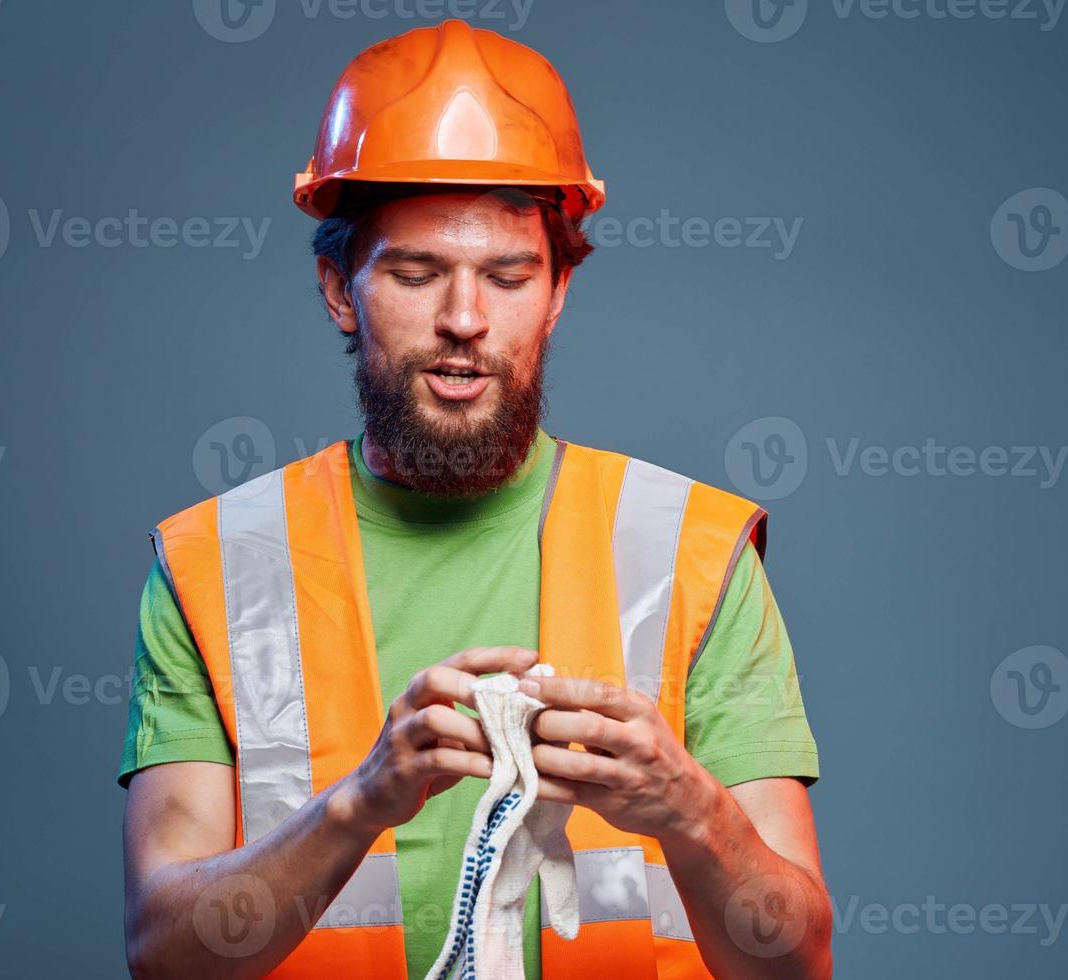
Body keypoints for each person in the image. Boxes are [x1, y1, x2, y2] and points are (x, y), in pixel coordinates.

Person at [118, 19, 831, 979]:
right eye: (416, 274)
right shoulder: (220, 565)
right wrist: (359, 801)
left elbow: (796, 962)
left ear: (559, 289)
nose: (464, 320)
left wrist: (691, 809)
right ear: (339, 288)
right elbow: (164, 958)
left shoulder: (694, 553)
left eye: (508, 275)